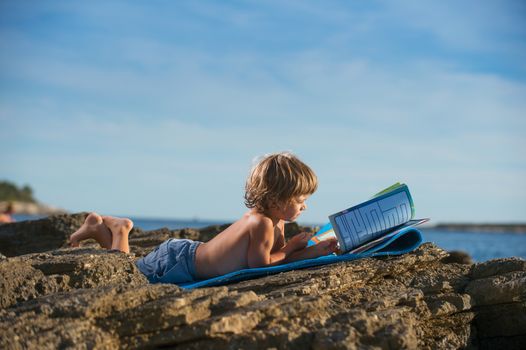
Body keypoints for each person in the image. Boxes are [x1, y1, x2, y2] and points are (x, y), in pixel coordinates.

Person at [69, 152, 339, 284]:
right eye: (300, 201)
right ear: (275, 200)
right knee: (127, 279)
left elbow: (277, 259)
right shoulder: (260, 223)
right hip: (178, 262)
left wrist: (315, 251)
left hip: (185, 255)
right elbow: (261, 266)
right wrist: (293, 247)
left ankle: (98, 229)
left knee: (129, 271)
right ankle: (120, 230)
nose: (305, 207)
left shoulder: (275, 221)